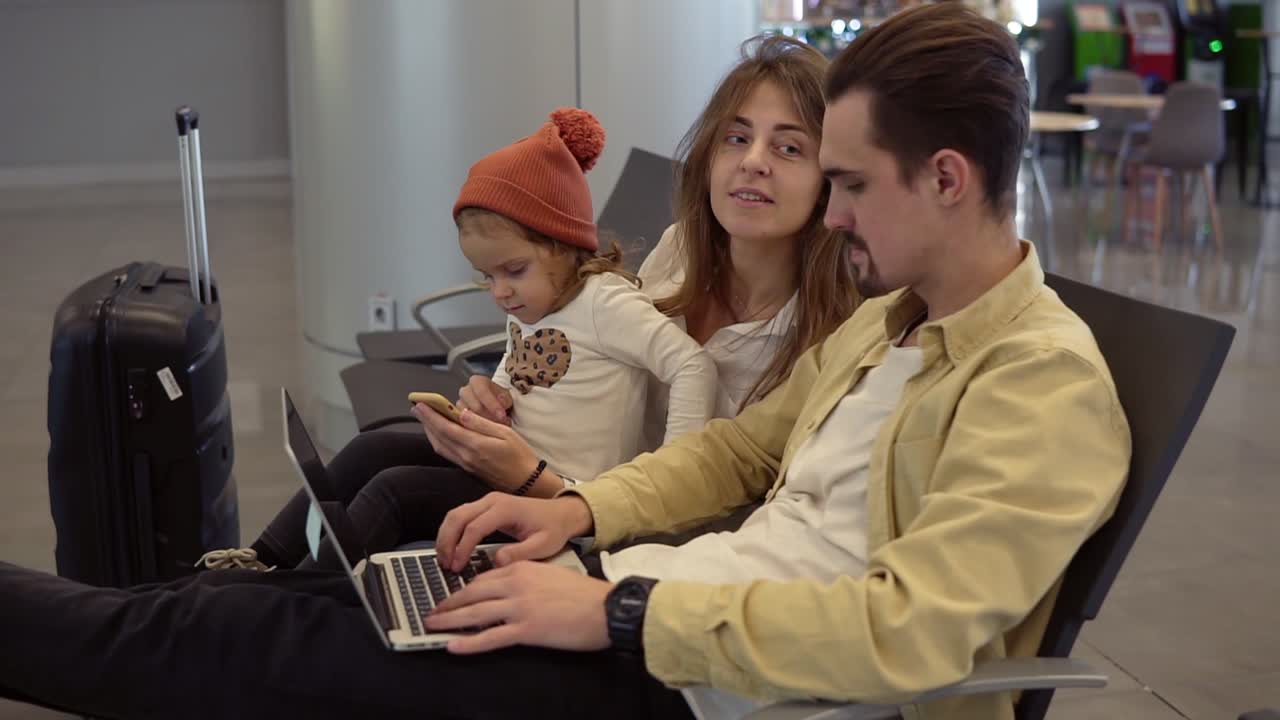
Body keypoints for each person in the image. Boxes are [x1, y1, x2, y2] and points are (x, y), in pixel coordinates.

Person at [0, 6, 1130, 720]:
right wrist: (575, 516)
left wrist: (618, 613)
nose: (830, 214)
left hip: (704, 681)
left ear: (946, 179)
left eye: (847, 183)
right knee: (282, 611)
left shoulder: (1041, 385)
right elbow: (735, 453)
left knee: (247, 642)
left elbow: (908, 629)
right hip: (657, 608)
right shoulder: (891, 326)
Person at [225, 33, 858, 572]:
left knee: (392, 496)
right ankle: (258, 564)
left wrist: (536, 481)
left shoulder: (826, 344)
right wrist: (500, 397)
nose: (752, 162)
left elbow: (707, 502)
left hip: (629, 540)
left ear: (832, 178)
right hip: (570, 480)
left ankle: (290, 600)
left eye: (789, 147)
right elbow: (592, 362)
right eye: (736, 138)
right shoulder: (679, 252)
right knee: (377, 449)